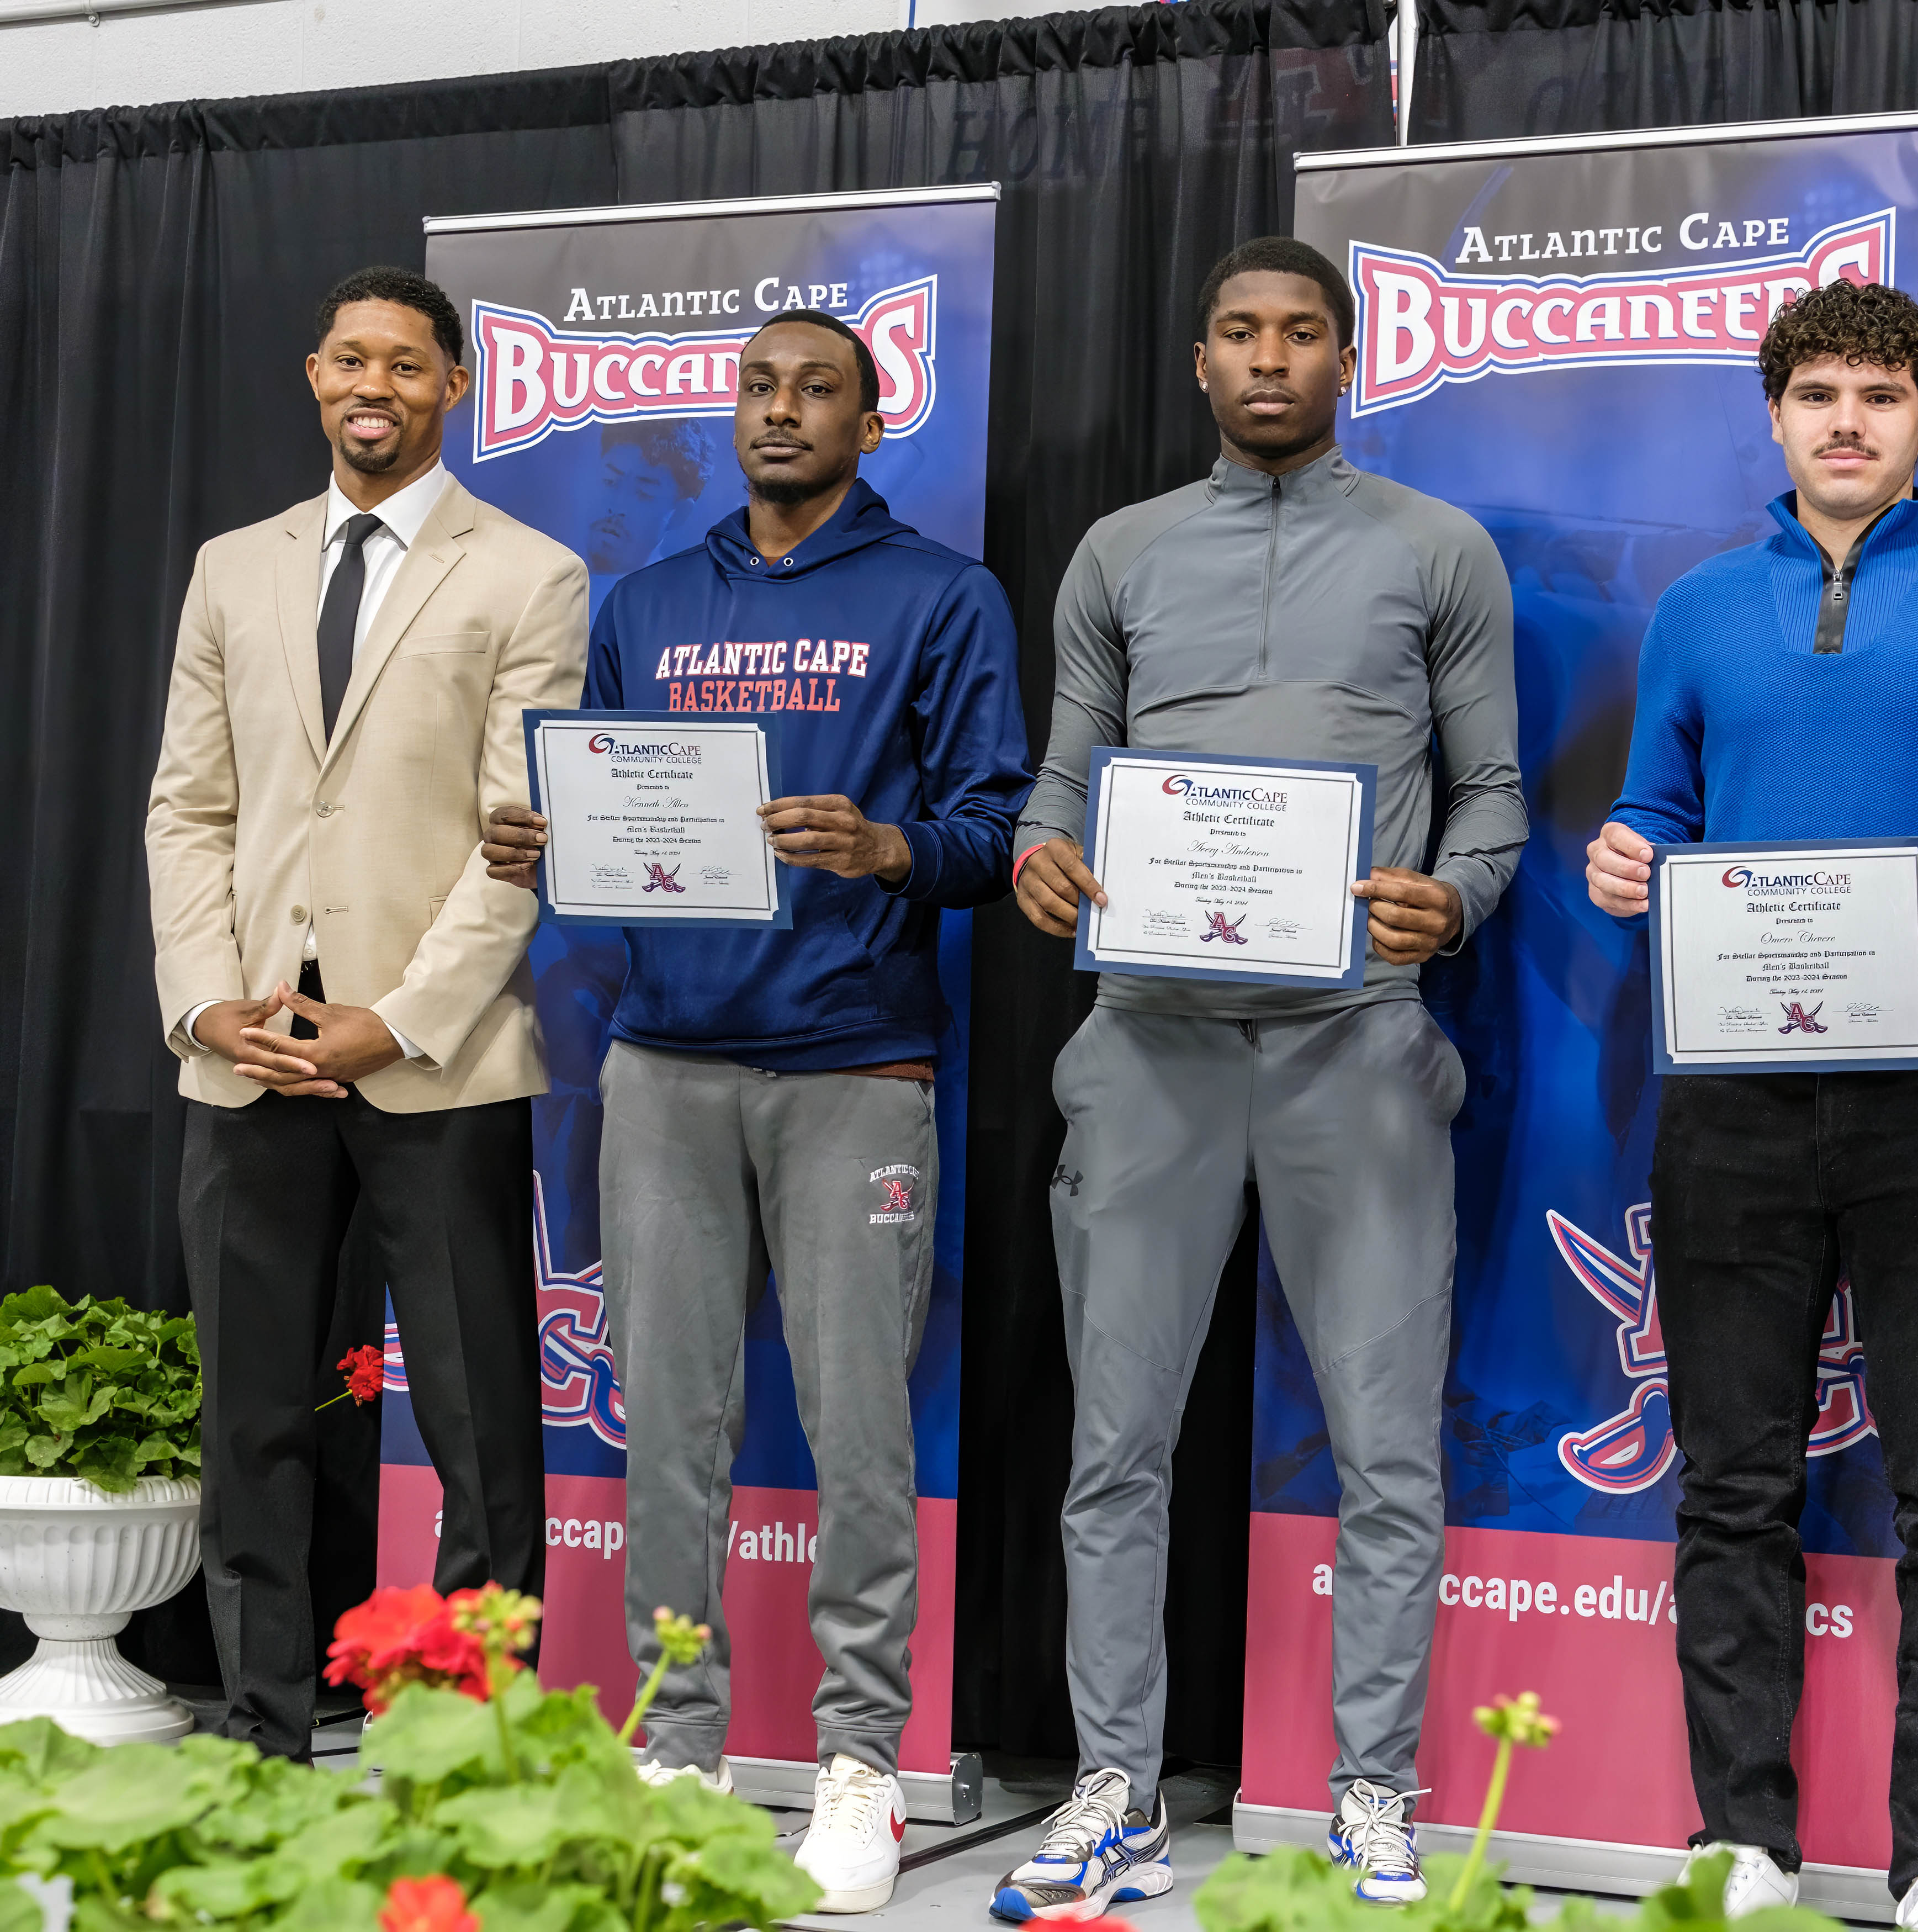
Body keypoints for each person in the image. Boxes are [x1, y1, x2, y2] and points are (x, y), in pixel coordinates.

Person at [993, 235, 1524, 1920]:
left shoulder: (1438, 550)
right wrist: (1038, 853)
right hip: (1145, 1039)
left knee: (1386, 1450)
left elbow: (1496, 789)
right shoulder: (1120, 553)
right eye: (1240, 329)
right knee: (1115, 1444)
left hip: (1356, 1035)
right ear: (1202, 359)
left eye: (1302, 330)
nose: (1271, 355)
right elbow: (1063, 770)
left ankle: (1375, 1786)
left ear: (1346, 356)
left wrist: (1460, 897)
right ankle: (1113, 1788)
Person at [480, 309, 1029, 1914]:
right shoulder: (650, 601)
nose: (781, 411)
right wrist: (551, 845)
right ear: (730, 411)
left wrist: (885, 850)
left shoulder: (940, 593)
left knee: (862, 1433)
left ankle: (861, 1756)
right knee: (672, 1429)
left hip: (856, 1062)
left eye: (817, 390)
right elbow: (607, 815)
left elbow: (996, 827)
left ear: (873, 420)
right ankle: (680, 1745)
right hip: (663, 1062)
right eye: (759, 387)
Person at [1582, 280, 1918, 1931]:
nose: (1848, 422)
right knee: (1729, 1484)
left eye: (1880, 395)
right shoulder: (1700, 610)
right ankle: (1743, 1838)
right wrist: (1624, 858)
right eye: (1817, 395)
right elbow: (1659, 801)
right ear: (1776, 415)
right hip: (1728, 1099)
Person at [146, 265, 586, 1760]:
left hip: (434, 1065)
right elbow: (188, 810)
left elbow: (519, 831)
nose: (373, 384)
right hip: (249, 1060)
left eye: (404, 362)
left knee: (479, 1433)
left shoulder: (528, 572)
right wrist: (212, 1008)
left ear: (452, 387)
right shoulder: (232, 566)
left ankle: (462, 1749)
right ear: (315, 376)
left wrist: (395, 1019)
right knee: (252, 1423)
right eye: (349, 359)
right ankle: (263, 1729)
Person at [582, 419, 713, 597]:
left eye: (644, 493)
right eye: (609, 481)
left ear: (679, 515)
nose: (617, 506)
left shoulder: (683, 602)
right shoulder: (551, 579)